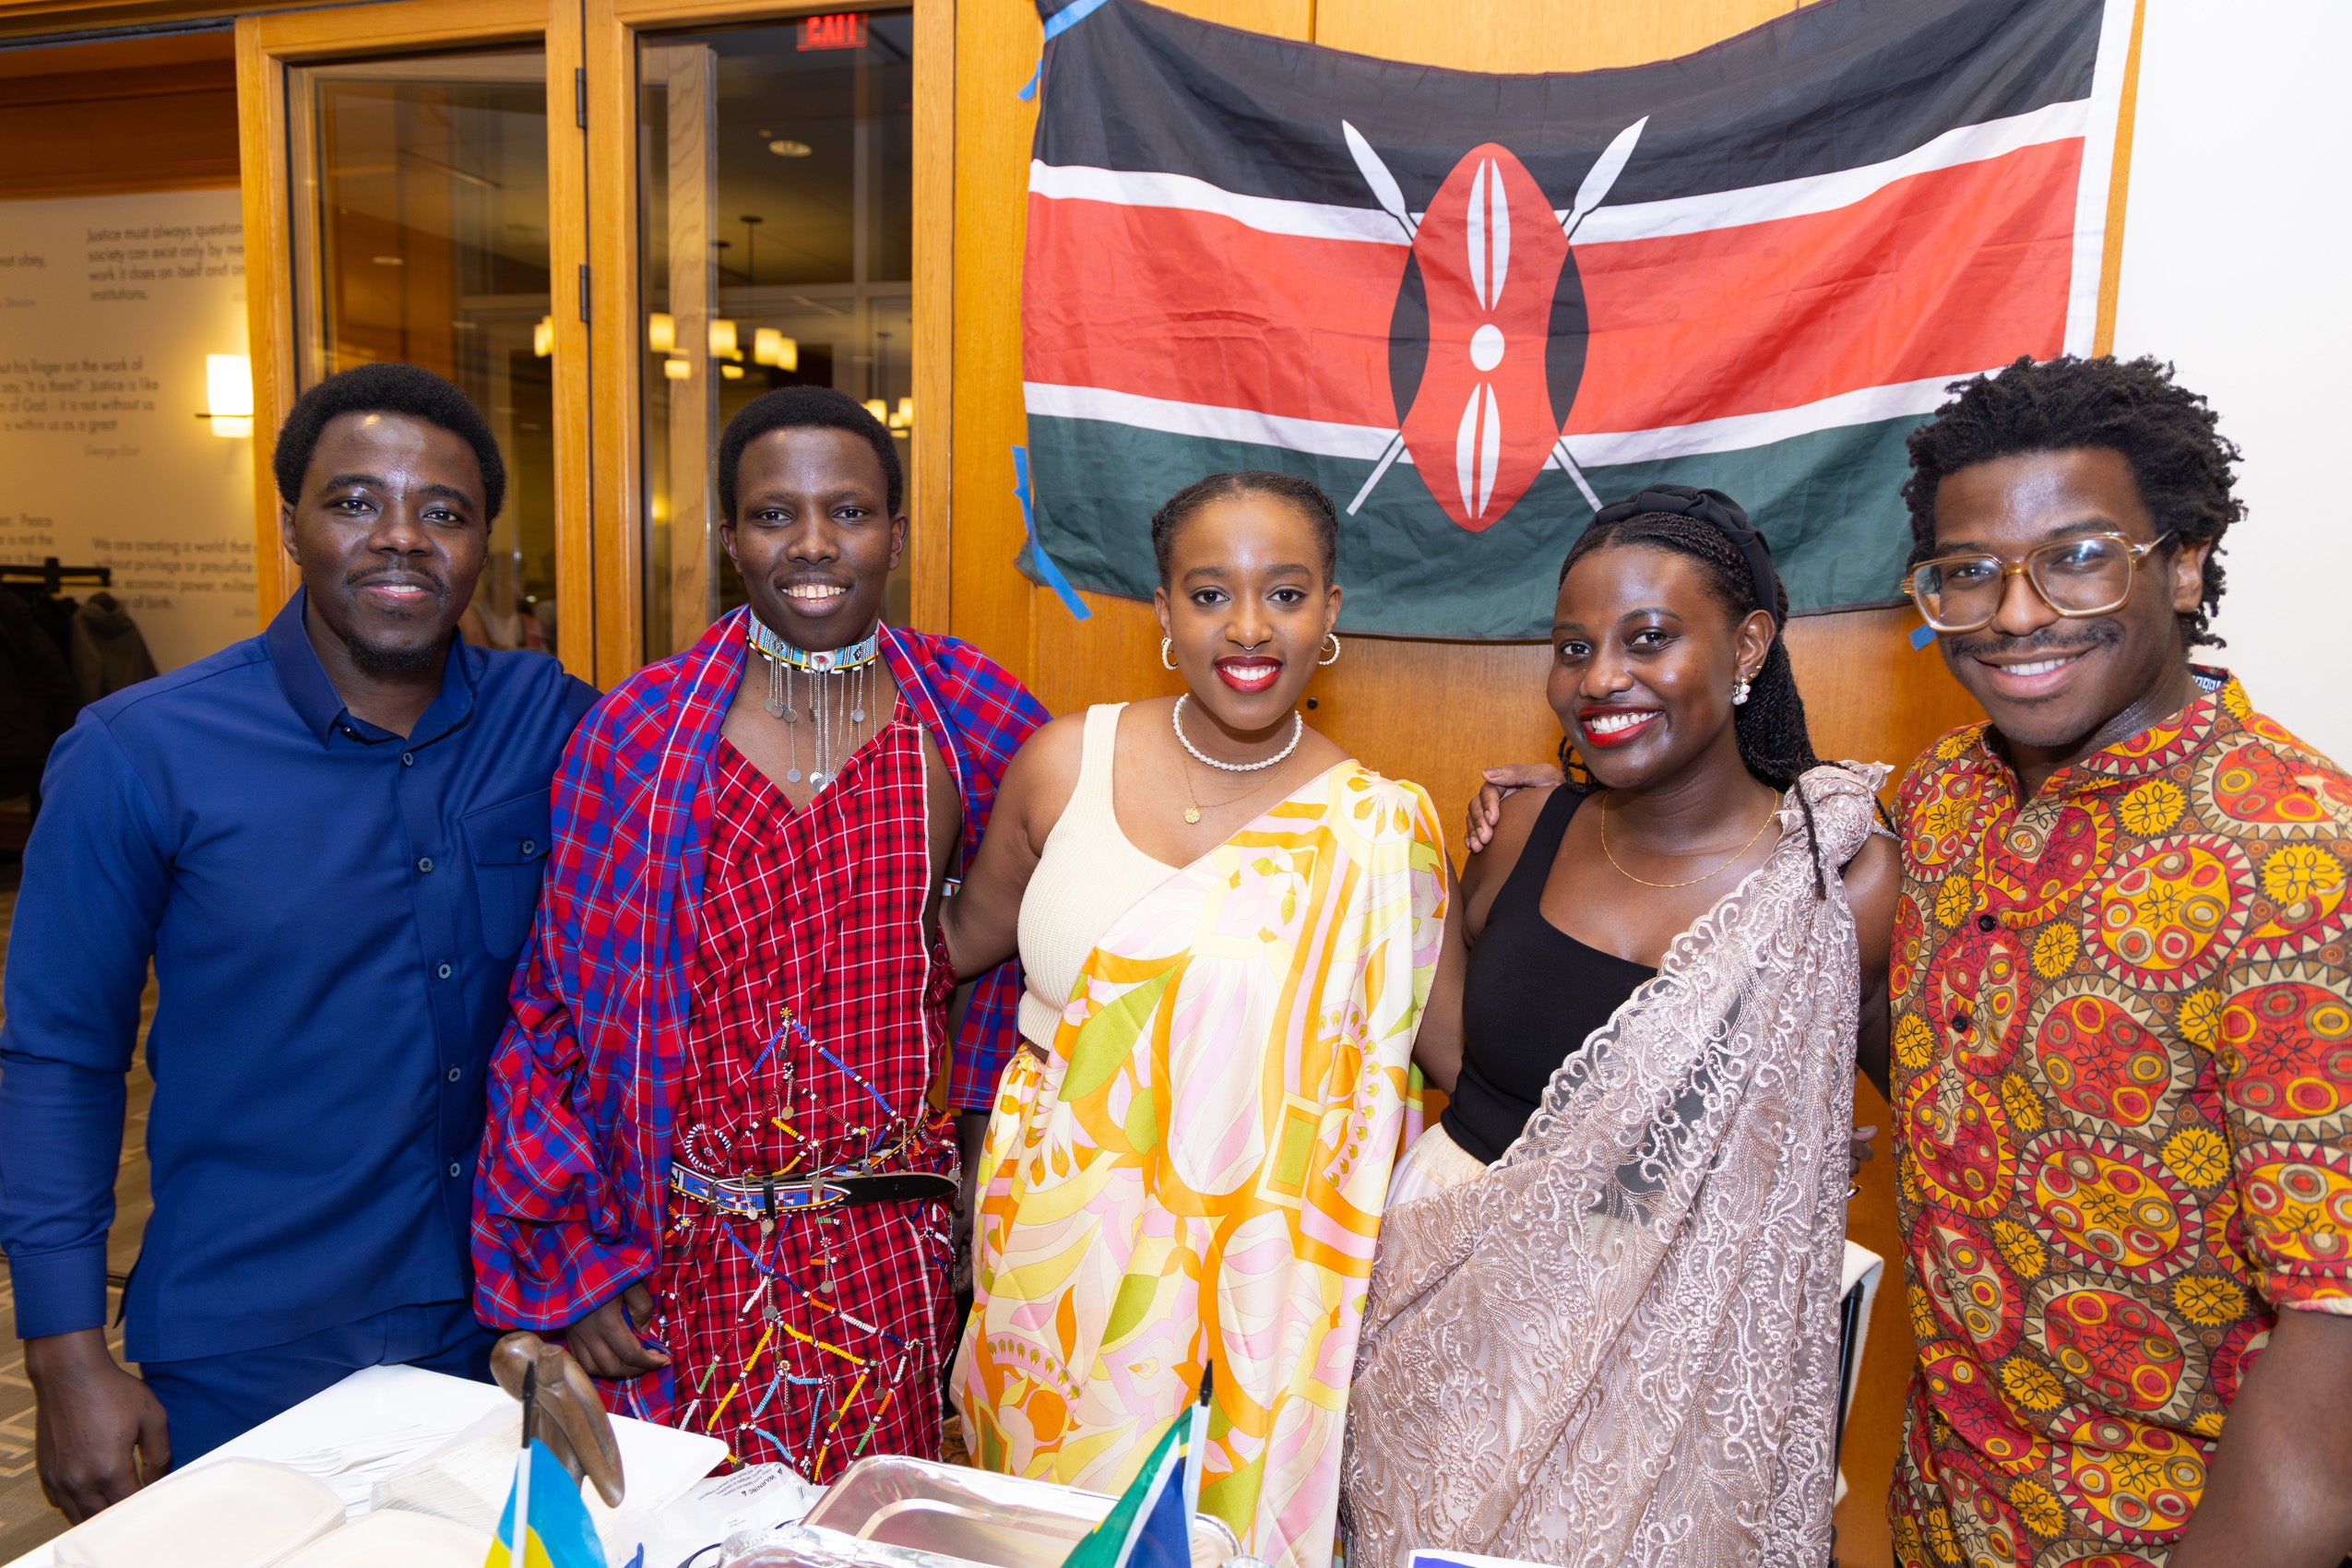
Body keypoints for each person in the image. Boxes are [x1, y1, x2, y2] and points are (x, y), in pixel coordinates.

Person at [0, 363, 597, 1515]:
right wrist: (64, 1352)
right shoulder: (141, 753)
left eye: (444, 511)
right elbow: (59, 1062)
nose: (400, 539)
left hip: (507, 1320)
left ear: (483, 544)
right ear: (291, 524)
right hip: (251, 1338)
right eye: (356, 500)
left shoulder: (551, 720)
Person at [470, 386, 1047, 1479]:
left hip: (895, 1264)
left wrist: (989, 1186)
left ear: (896, 531)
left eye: (852, 511)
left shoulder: (972, 712)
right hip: (680, 1263)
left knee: (872, 1545)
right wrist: (576, 1262)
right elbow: (554, 1008)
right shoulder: (637, 733)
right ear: (728, 536)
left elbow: (1049, 938)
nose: (816, 543)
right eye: (776, 515)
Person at [1339, 485, 1900, 1566]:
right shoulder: (1523, 832)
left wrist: (1765, 1147)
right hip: (1452, 1338)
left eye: (1648, 638)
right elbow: (1458, 1055)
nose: (1599, 679)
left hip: (1683, 1369)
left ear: (1748, 643)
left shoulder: (1836, 881)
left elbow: (1919, 1099)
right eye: (1572, 645)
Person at [1875, 356, 2352, 1567]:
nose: (2017, 612)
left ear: (2180, 562)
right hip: (1937, 1513)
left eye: (2077, 556)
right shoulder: (1942, 797)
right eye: (1967, 572)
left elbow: (2334, 1327)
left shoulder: (2291, 857)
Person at [942, 471, 1448, 1568]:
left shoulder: (1376, 827)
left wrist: (1512, 862)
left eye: (1287, 592)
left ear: (1332, 613)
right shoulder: (1062, 765)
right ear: (1164, 613)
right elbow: (949, 948)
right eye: (1211, 594)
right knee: (1042, 1537)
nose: (1250, 627)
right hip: (1049, 1261)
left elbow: (1456, 1057)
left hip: (1257, 1295)